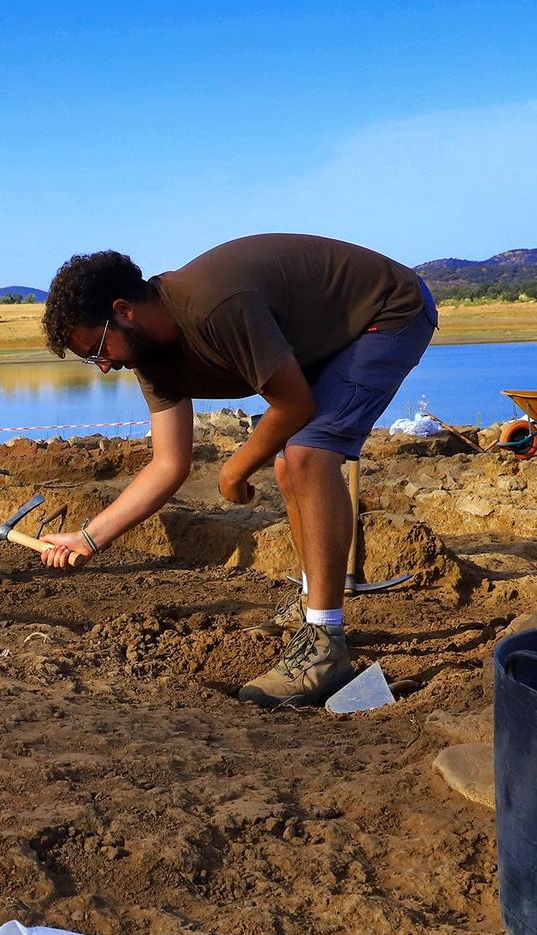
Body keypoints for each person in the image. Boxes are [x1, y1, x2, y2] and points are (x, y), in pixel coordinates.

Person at [37, 236, 436, 708]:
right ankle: (314, 607)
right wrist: (88, 539)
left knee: (308, 454)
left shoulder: (213, 307)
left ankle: (325, 646)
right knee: (292, 462)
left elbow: (293, 403)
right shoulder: (148, 357)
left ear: (124, 310)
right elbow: (168, 463)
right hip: (324, 336)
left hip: (387, 311)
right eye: (92, 360)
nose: (104, 368)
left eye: (98, 350)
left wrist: (236, 467)